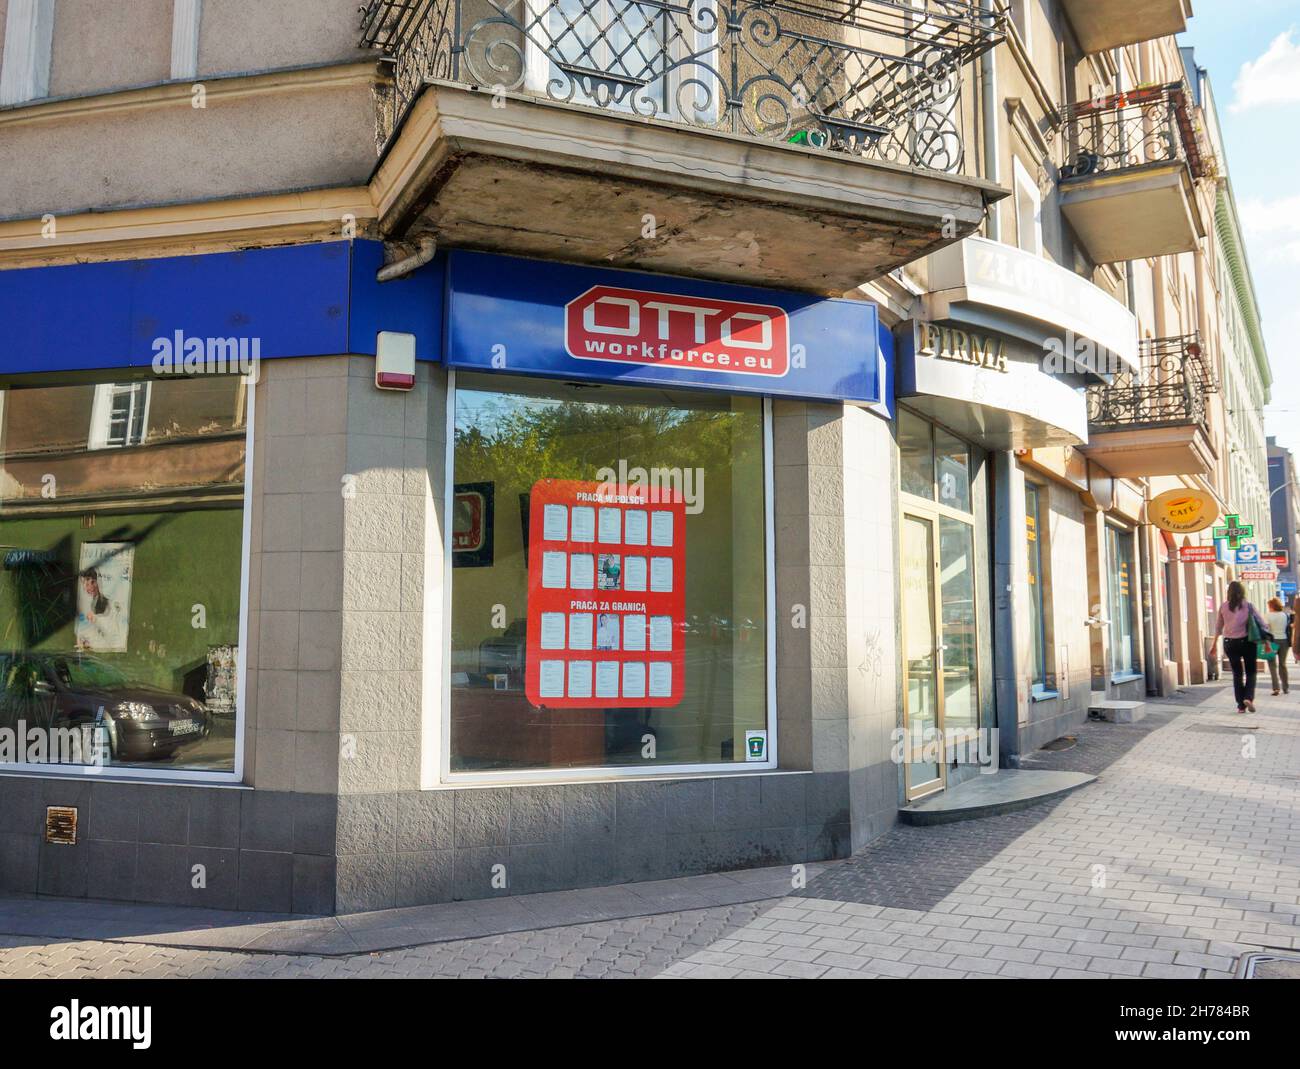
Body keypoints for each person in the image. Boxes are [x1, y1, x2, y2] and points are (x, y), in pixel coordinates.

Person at [1209, 581, 1271, 713]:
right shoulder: (1248, 606)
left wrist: (1214, 645)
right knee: (1251, 672)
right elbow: (1261, 625)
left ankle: (1240, 706)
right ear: (1242, 592)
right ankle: (1248, 697)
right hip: (1247, 642)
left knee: (1237, 674)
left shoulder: (1223, 607)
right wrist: (1266, 643)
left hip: (1229, 643)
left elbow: (1218, 628)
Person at [1263, 596, 1290, 695]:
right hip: (1284, 641)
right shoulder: (1285, 615)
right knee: (1283, 665)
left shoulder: (1268, 615)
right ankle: (1285, 688)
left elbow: (1266, 629)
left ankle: (1276, 688)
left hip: (1272, 641)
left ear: (1271, 606)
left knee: (1272, 665)